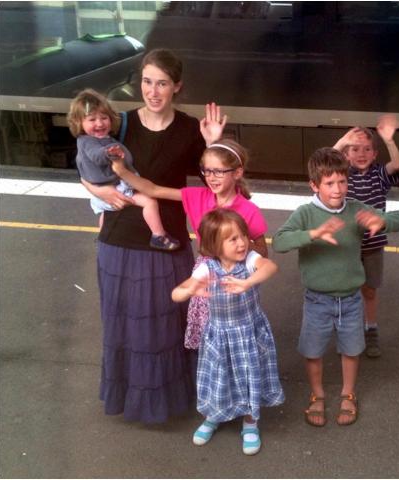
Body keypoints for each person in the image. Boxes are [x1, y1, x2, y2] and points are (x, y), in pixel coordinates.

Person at [81, 49, 222, 423]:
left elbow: (214, 182)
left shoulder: (190, 129)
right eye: (147, 81)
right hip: (118, 239)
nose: (153, 91)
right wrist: (98, 191)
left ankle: (167, 401)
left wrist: (212, 142)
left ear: (177, 86)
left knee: (165, 325)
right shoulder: (119, 123)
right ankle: (132, 400)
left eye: (162, 83)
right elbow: (84, 165)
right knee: (126, 325)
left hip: (167, 241)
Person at [272, 147, 399, 427]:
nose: (337, 189)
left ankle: (348, 393)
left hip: (351, 298)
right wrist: (313, 234)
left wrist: (381, 220)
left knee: (351, 349)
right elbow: (280, 241)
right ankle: (317, 394)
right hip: (316, 299)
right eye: (329, 183)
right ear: (314, 185)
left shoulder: (356, 209)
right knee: (313, 351)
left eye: (342, 181)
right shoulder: (306, 213)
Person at [110, 135, 268, 355]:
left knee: (238, 342)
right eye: (207, 171)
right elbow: (153, 190)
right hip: (206, 274)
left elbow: (263, 251)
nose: (211, 177)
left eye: (219, 171)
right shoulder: (197, 197)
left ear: (237, 173)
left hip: (236, 279)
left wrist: (237, 245)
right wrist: (122, 171)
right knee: (210, 340)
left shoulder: (249, 210)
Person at [172, 209, 284, 455]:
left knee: (249, 376)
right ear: (214, 244)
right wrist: (190, 290)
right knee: (218, 376)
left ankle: (250, 422)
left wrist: (247, 282)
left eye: (243, 235)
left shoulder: (250, 260)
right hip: (220, 335)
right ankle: (213, 415)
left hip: (248, 333)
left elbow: (270, 266)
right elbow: (176, 293)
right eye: (232, 239)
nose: (242, 242)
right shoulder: (207, 268)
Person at [68, 88, 179, 250]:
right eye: (92, 119)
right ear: (79, 123)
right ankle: (158, 235)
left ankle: (102, 238)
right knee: (150, 202)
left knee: (105, 213)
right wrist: (109, 153)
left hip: (107, 189)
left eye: (104, 118)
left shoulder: (102, 138)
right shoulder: (89, 141)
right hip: (116, 188)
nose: (99, 123)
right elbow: (96, 155)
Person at [333, 114, 399, 358]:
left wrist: (389, 140)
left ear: (375, 154)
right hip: (346, 244)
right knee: (344, 289)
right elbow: (325, 160)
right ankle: (346, 330)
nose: (361, 154)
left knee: (370, 290)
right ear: (345, 154)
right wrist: (343, 141)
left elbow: (396, 164)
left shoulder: (379, 175)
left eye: (366, 149)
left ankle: (370, 329)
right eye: (354, 149)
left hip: (373, 244)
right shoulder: (341, 175)